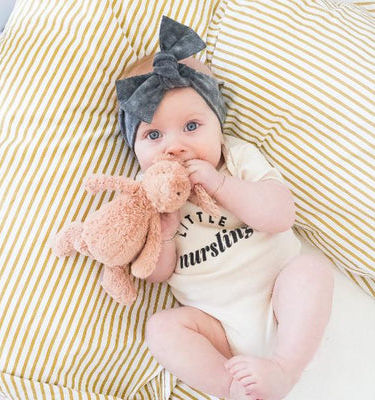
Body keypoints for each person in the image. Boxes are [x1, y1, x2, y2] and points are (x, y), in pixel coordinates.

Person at [115, 16, 334, 400]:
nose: (175, 147)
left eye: (191, 126)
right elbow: (158, 275)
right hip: (216, 323)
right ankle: (230, 388)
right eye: (153, 135)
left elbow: (281, 215)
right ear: (135, 148)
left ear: (218, 126)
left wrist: (220, 185)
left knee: (312, 271)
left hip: (279, 294)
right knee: (161, 328)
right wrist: (164, 236)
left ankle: (284, 368)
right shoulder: (148, 195)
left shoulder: (236, 159)